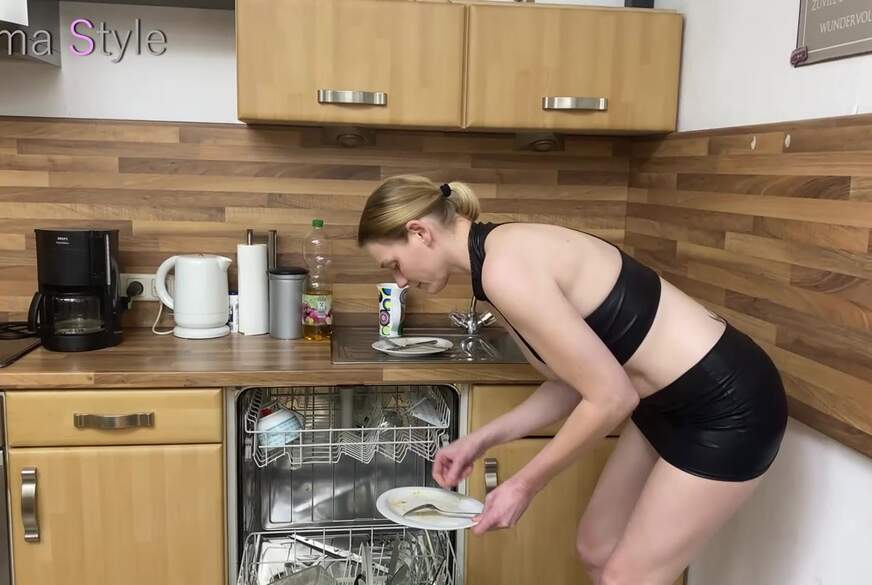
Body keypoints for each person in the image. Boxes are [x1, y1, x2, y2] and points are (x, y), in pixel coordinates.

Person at [356, 175, 788, 585]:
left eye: (394, 264)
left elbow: (611, 398)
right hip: (664, 403)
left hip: (727, 406)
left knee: (625, 578)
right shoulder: (491, 265)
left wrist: (523, 484)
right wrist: (479, 440)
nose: (400, 280)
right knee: (596, 548)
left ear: (419, 232)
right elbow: (571, 383)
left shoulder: (506, 268)